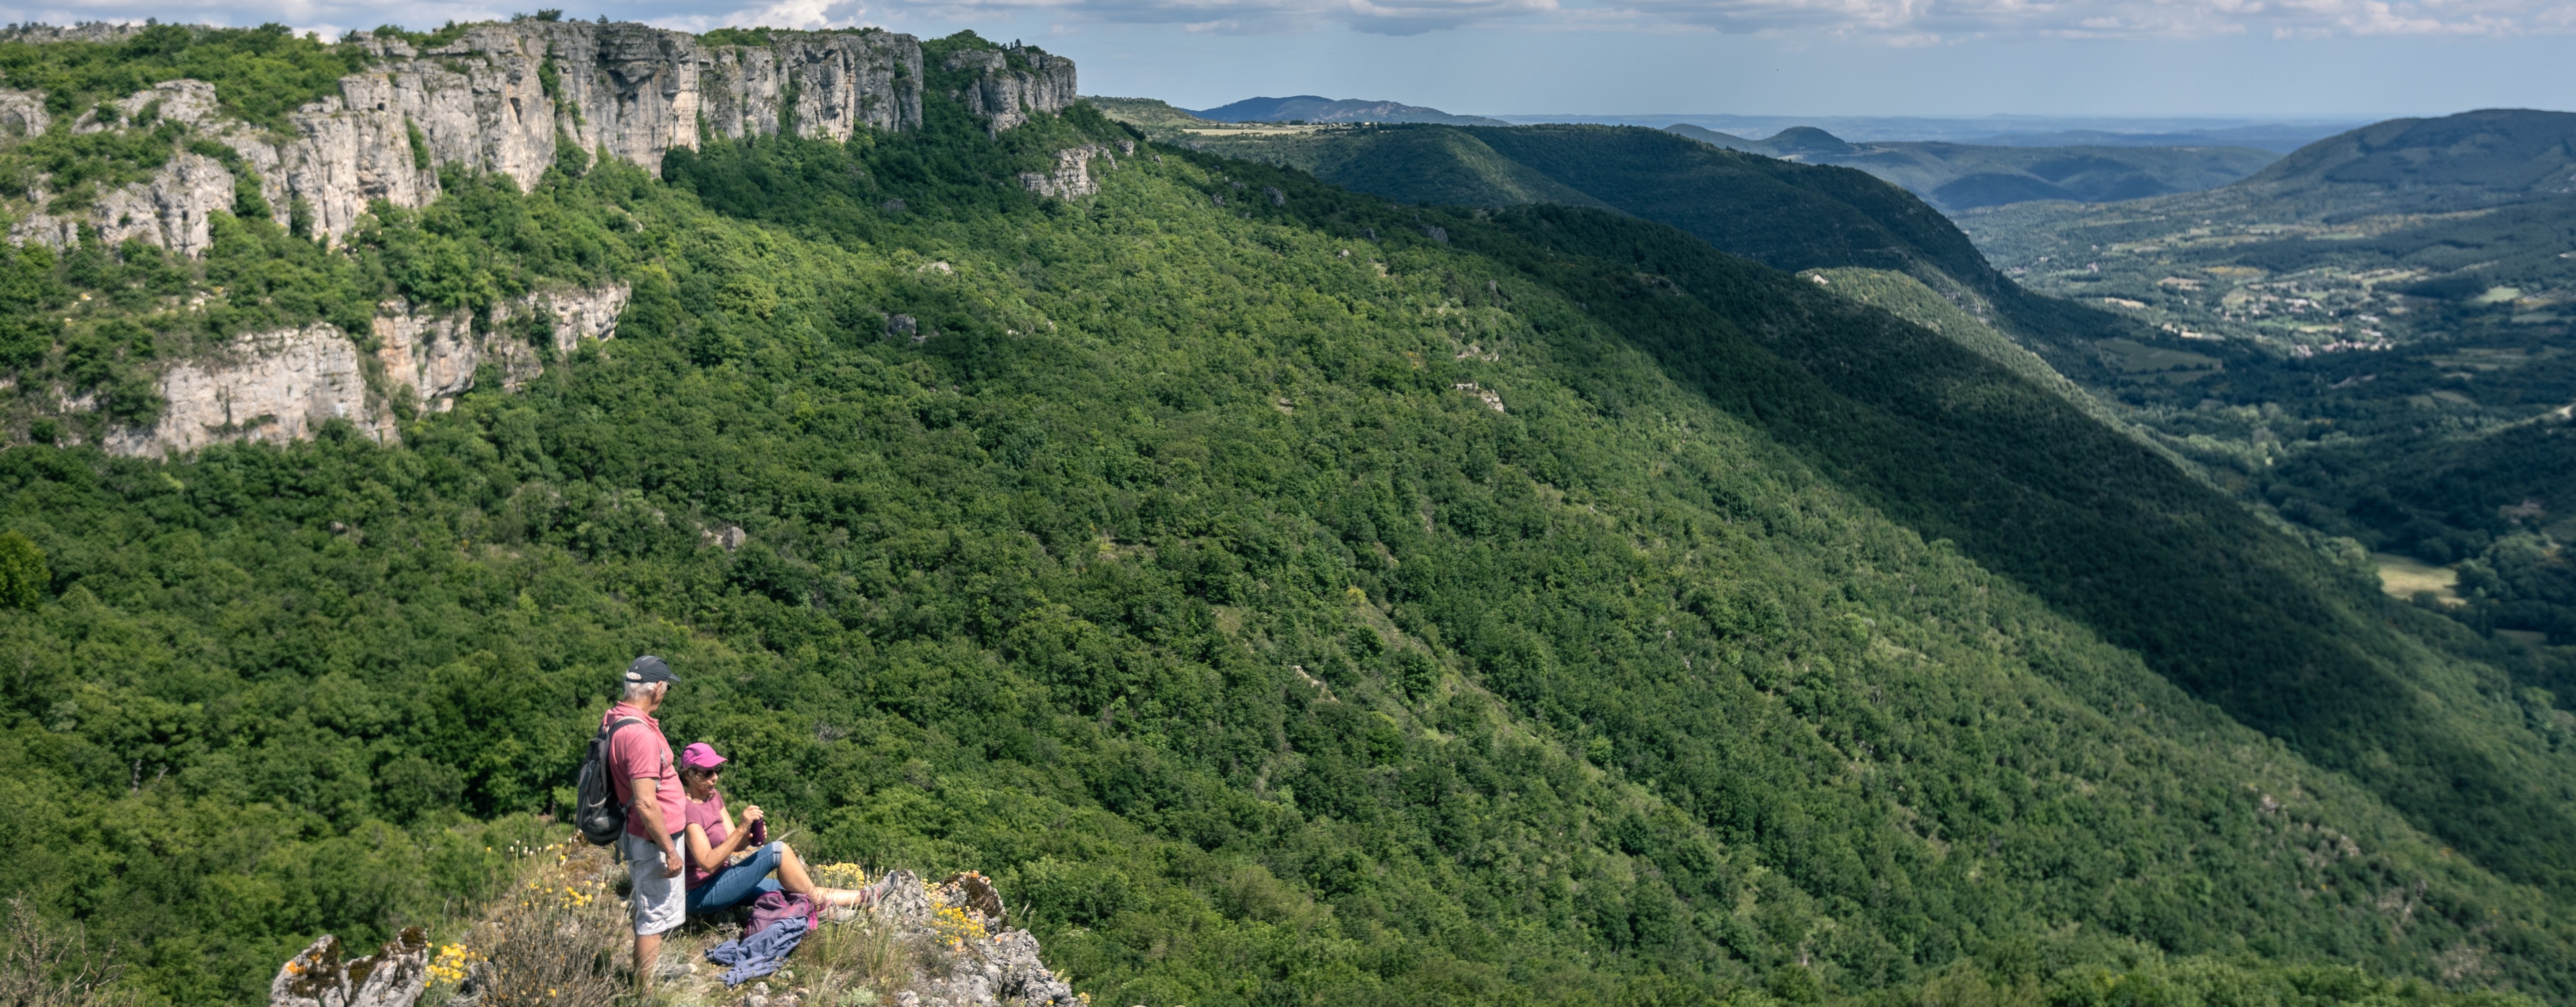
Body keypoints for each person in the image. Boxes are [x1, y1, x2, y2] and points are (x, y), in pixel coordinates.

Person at [676, 742, 873, 915]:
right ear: (690, 774)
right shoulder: (689, 811)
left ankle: (866, 898)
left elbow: (734, 845)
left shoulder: (714, 797)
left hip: (724, 878)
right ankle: (822, 909)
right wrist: (742, 827)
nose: (715, 778)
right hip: (701, 894)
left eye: (718, 770)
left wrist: (748, 837)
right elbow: (708, 864)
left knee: (797, 887)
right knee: (778, 851)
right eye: (708, 772)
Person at [603, 655, 687, 994]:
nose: (666, 694)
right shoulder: (640, 736)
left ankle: (649, 974)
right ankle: (644, 993)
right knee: (653, 917)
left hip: (640, 833)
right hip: (652, 839)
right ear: (655, 689)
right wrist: (670, 851)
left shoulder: (617, 718)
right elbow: (646, 803)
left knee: (651, 907)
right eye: (667, 688)